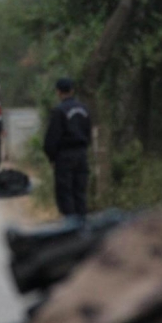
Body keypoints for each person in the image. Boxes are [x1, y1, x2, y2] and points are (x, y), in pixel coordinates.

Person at [43, 78, 92, 221]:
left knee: (65, 192)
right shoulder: (84, 109)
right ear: (72, 90)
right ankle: (83, 224)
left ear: (58, 92)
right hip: (81, 155)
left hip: (64, 156)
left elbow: (52, 138)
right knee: (80, 191)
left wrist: (52, 157)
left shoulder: (59, 111)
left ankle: (70, 225)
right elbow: (88, 133)